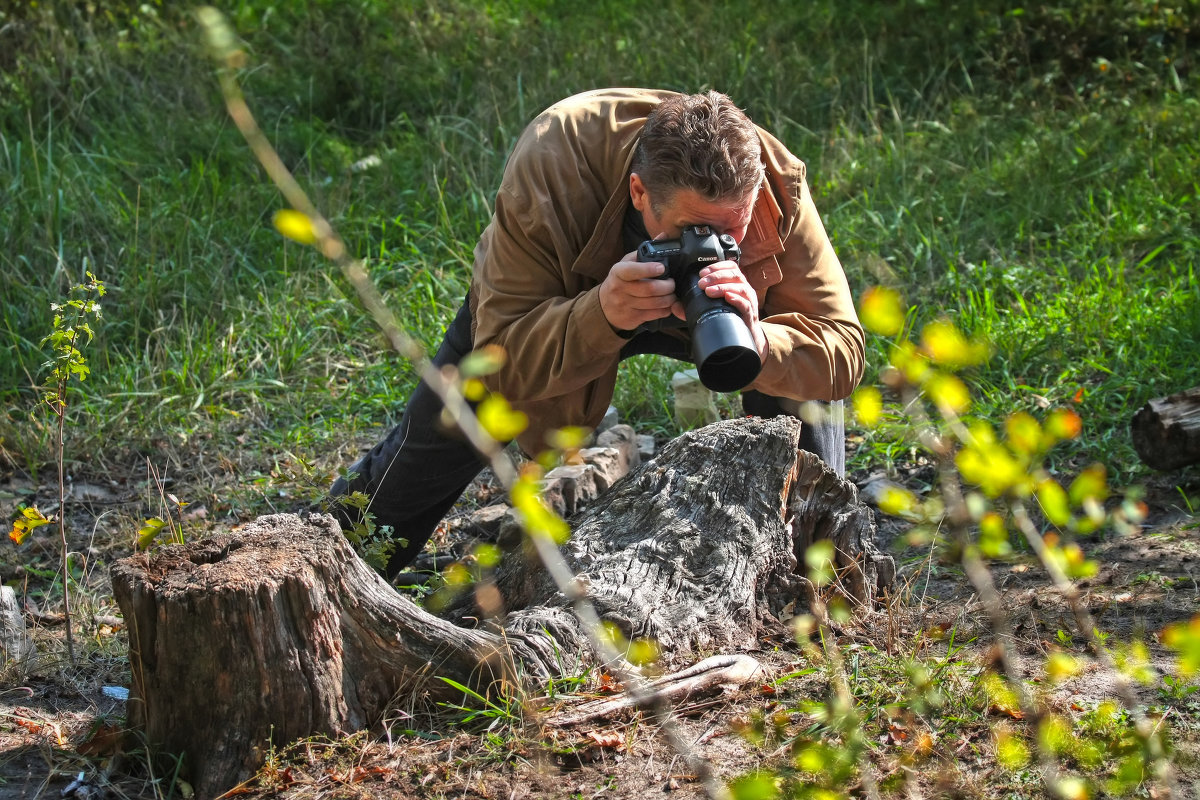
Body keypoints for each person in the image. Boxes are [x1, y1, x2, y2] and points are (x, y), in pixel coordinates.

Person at [327, 88, 865, 579]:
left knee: (802, 400)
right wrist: (601, 314)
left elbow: (842, 348)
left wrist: (761, 339)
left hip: (729, 316)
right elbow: (501, 354)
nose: (714, 247)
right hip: (572, 298)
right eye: (692, 229)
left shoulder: (771, 177)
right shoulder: (554, 161)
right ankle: (329, 560)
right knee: (429, 451)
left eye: (733, 230)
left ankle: (812, 574)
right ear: (638, 192)